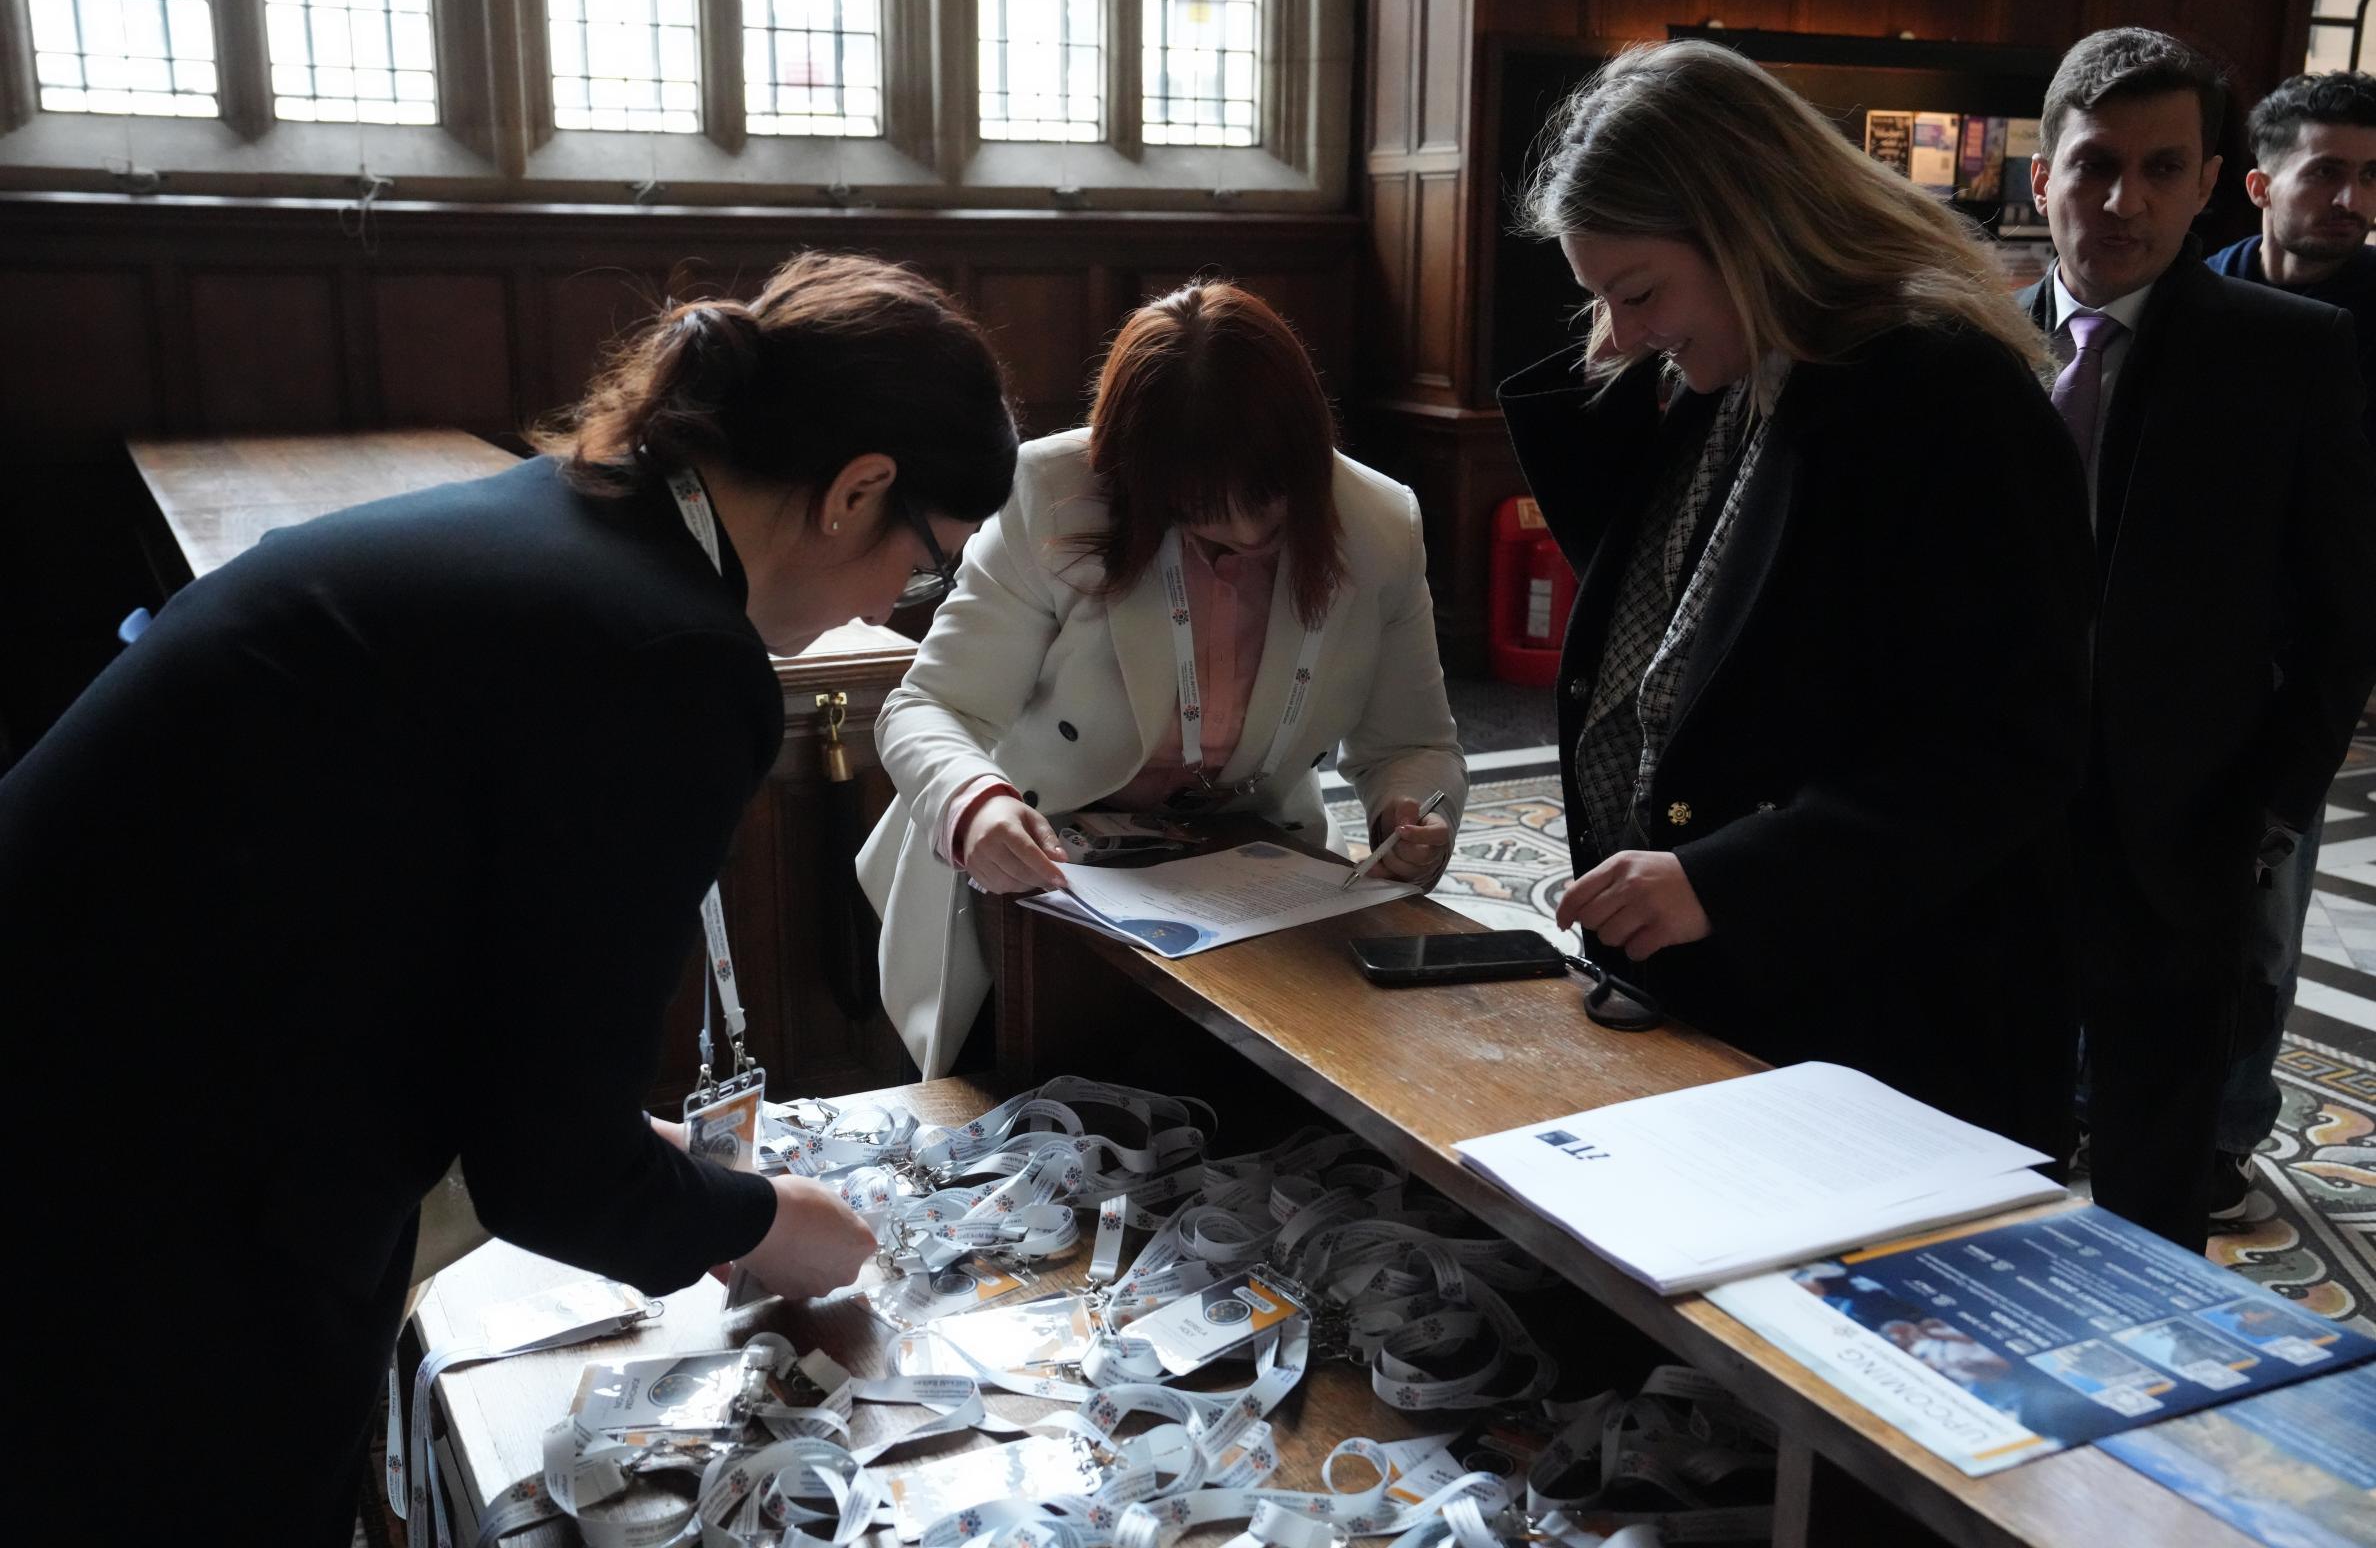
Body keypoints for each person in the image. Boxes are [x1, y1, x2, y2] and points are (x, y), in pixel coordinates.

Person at [0, 251, 1020, 1543]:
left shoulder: (570, 520)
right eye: (926, 566)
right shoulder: (669, 658)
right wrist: (765, 1223)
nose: (898, 605)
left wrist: (644, 1154)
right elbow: (546, 1176)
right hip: (134, 1202)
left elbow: (462, 967)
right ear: (857, 490)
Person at [1504, 40, 2095, 1155]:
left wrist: (1728, 882)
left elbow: (2010, 749)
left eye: (1639, 292)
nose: (1617, 338)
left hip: (1899, 1014)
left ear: (1749, 226)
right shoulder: (1745, 367)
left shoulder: (1947, 390)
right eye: (1599, 299)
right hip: (1751, 995)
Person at [861, 281, 1467, 1077]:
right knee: (1025, 1098)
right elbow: (929, 705)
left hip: (1254, 872)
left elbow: (1415, 745)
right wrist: (975, 803)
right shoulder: (1051, 493)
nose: (1243, 535)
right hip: (1040, 864)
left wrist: (1411, 813)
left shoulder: (1379, 524)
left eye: (1270, 505)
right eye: (1202, 511)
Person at [2015, 29, 2376, 1248]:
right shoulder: (1972, 346)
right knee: (1979, 1158)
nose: (2126, 202)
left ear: (2212, 181)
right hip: (1989, 835)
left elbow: (2341, 611)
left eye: (2163, 169)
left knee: (2154, 1186)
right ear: (2043, 177)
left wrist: (2270, 809)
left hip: (2187, 833)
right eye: (2095, 166)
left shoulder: (2287, 352)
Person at [2202, 69, 2376, 1217]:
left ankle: (2225, 1131)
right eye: (2326, 173)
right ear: (2263, 184)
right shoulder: (2198, 299)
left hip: (2300, 664)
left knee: (2260, 920)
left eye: (2371, 177)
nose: (2352, 199)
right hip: (2176, 652)